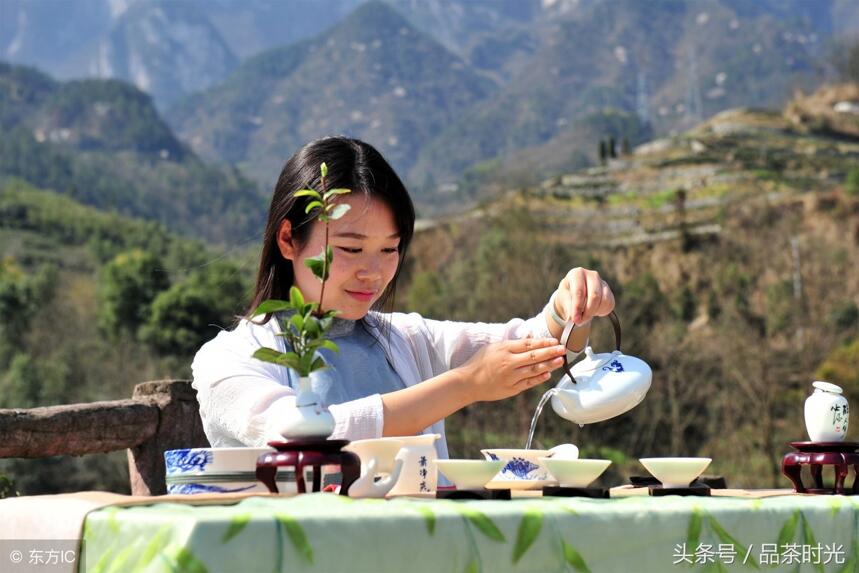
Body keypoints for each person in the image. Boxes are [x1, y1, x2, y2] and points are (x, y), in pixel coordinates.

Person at [192, 137, 615, 460]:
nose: (372, 272)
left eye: (389, 250)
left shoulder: (405, 339)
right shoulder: (230, 360)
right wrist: (466, 384)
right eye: (352, 249)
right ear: (289, 239)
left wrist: (569, 306)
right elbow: (300, 435)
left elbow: (535, 343)